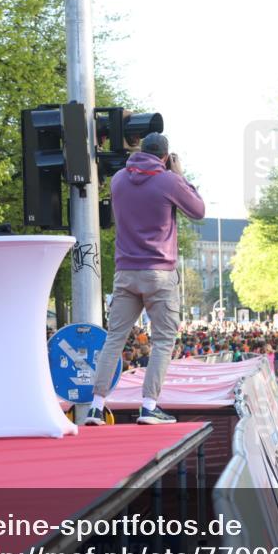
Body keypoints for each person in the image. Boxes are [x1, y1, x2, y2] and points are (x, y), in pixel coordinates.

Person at [86, 132, 205, 425]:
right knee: (163, 340)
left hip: (125, 272)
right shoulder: (169, 181)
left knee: (114, 339)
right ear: (164, 156)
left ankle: (96, 406)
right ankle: (149, 406)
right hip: (159, 274)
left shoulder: (117, 180)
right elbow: (199, 211)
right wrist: (179, 174)